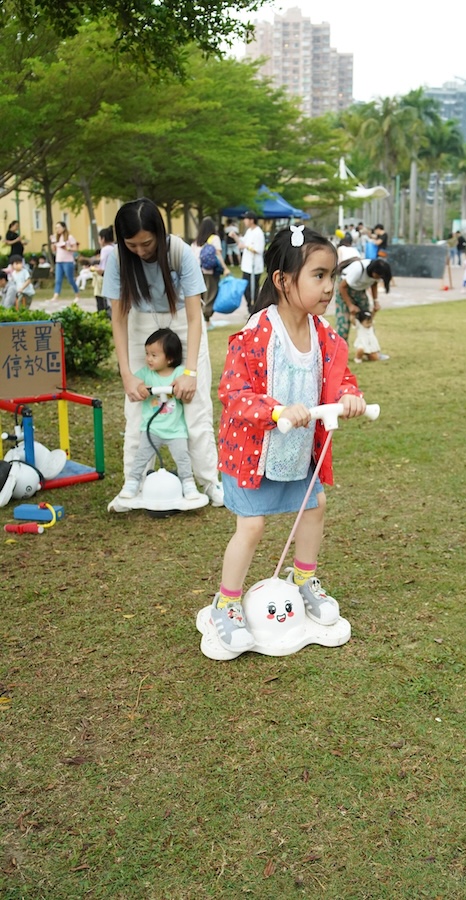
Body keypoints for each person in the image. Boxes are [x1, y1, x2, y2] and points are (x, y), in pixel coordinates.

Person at [211, 224, 366, 652]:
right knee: (252, 526)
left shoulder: (326, 337)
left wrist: (349, 396)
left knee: (315, 505)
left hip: (299, 452)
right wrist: (275, 410)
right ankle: (226, 603)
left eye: (332, 275)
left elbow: (339, 379)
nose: (329, 286)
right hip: (254, 454)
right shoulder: (257, 334)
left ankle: (303, 579)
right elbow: (233, 394)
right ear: (282, 280)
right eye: (318, 275)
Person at [102, 197, 223, 506]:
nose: (141, 252)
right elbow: (118, 318)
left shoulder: (179, 251)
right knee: (138, 408)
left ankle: (208, 482)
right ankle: (134, 483)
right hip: (140, 326)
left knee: (194, 406)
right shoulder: (118, 258)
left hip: (182, 321)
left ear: (158, 232)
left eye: (147, 243)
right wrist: (127, 375)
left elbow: (196, 317)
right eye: (133, 245)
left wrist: (190, 372)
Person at [119, 328, 202, 500]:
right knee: (141, 456)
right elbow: (138, 387)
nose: (148, 358)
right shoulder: (145, 374)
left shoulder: (179, 374)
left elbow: (185, 397)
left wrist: (179, 390)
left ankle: (188, 483)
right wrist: (143, 389)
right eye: (147, 353)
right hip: (151, 430)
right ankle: (132, 482)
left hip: (175, 430)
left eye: (154, 355)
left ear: (170, 358)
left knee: (182, 458)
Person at [335, 257, 392, 342]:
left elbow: (374, 284)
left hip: (360, 291)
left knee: (367, 319)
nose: (379, 278)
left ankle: (371, 349)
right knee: (343, 325)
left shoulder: (377, 273)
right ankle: (340, 353)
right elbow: (342, 287)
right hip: (344, 291)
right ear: (373, 271)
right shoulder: (358, 269)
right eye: (378, 276)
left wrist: (375, 301)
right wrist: (350, 305)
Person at [191, 216, 230, 328]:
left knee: (201, 296)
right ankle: (206, 321)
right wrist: (225, 268)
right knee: (210, 295)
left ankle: (200, 320)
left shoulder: (196, 241)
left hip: (197, 271)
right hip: (210, 271)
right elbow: (218, 255)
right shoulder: (214, 238)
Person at [233, 211, 265, 315]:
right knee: (246, 289)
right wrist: (234, 236)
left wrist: (246, 247)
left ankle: (254, 310)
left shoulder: (258, 233)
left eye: (246, 219)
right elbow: (242, 242)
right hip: (246, 266)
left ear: (251, 220)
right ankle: (250, 309)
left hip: (254, 267)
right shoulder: (249, 231)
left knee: (253, 290)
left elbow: (259, 249)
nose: (244, 221)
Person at [50, 222, 80, 302]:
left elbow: (75, 248)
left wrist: (67, 248)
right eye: (56, 228)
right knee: (58, 279)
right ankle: (56, 295)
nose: (57, 230)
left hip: (68, 261)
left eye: (59, 227)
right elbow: (54, 249)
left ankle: (77, 294)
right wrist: (53, 242)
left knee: (70, 279)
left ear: (64, 228)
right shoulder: (57, 238)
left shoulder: (69, 237)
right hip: (59, 261)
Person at [90, 226, 115, 317]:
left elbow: (102, 268)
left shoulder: (105, 249)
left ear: (103, 239)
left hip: (106, 278)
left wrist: (94, 268)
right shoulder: (115, 247)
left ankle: (103, 316)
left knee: (103, 301)